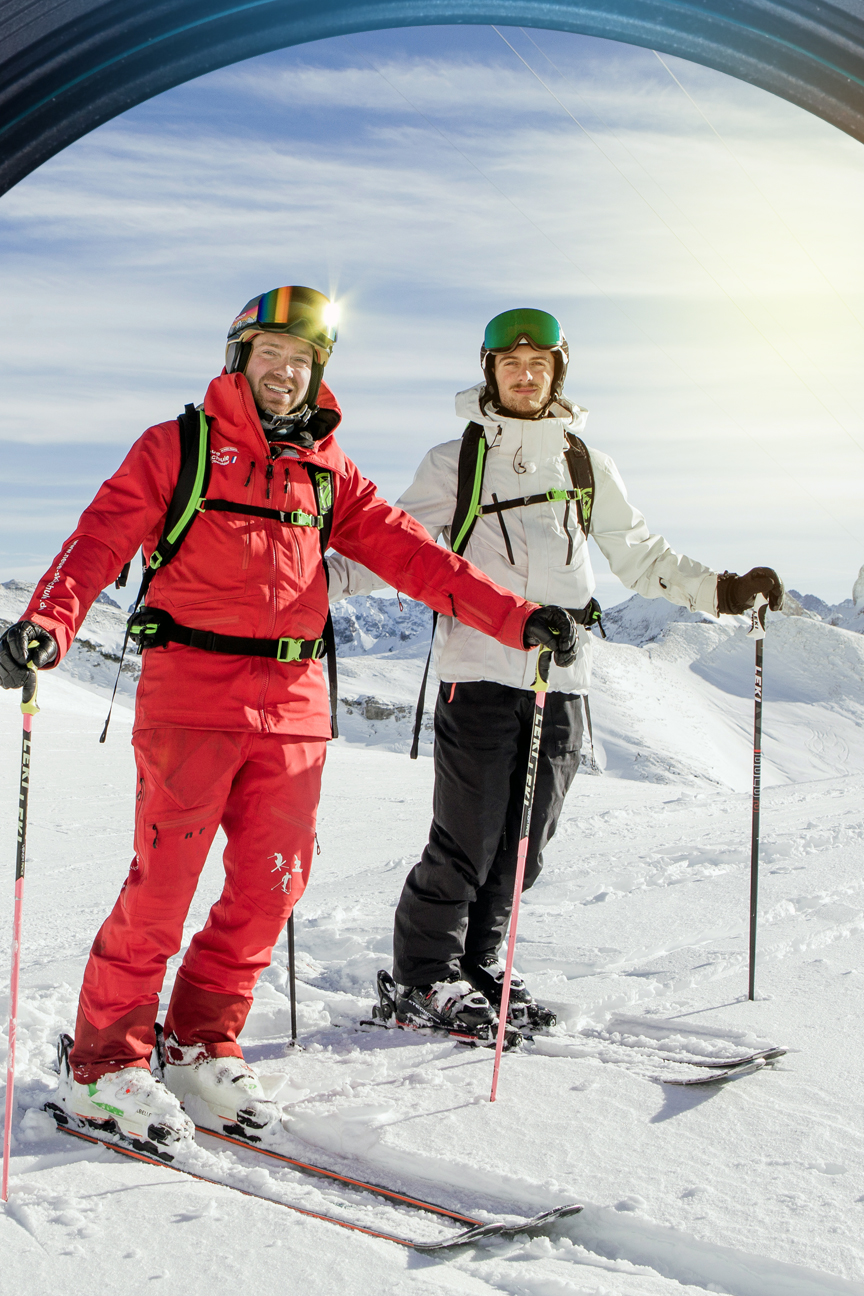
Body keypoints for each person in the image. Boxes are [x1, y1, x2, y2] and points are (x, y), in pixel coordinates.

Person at [0, 288, 579, 1154]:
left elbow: (417, 557)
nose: (287, 372)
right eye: (272, 354)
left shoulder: (327, 469)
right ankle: (105, 1063)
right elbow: (100, 538)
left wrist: (514, 616)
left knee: (272, 885)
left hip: (294, 707)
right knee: (161, 889)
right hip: (191, 695)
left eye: (303, 361)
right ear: (241, 357)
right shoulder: (177, 447)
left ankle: (199, 1039)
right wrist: (48, 621)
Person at [327, 308, 783, 1039]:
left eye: (539, 360)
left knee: (524, 845)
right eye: (510, 361)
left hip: (561, 681)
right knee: (466, 839)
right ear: (490, 371)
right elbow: (397, 544)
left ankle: (478, 965)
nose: (525, 371)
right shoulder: (457, 460)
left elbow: (641, 554)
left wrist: (723, 591)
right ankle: (423, 975)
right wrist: (308, 584)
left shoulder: (583, 463)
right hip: (477, 672)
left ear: (558, 371)